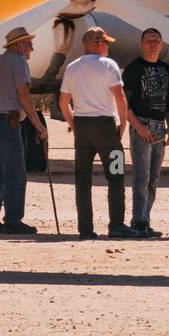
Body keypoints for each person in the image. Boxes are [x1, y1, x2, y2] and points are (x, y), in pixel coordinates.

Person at [59, 27, 144, 240]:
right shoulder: (109, 65)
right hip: (106, 128)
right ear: (99, 44)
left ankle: (85, 229)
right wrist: (122, 124)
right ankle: (116, 225)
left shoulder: (72, 67)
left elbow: (63, 102)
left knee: (83, 179)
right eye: (106, 43)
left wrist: (73, 124)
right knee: (116, 174)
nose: (107, 47)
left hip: (83, 129)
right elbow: (120, 97)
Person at [0, 27, 47, 234]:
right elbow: (24, 96)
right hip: (7, 123)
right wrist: (39, 126)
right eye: (28, 44)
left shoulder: (0, 60)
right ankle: (13, 219)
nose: (32, 48)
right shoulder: (19, 62)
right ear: (19, 45)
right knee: (16, 174)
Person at [121, 28, 169, 238]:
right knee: (141, 177)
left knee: (153, 178)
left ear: (161, 44)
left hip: (159, 126)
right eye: (148, 40)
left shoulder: (165, 68)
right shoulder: (134, 69)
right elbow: (124, 101)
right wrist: (137, 126)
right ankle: (138, 221)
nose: (152, 43)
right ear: (142, 44)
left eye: (156, 40)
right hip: (142, 125)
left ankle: (146, 218)